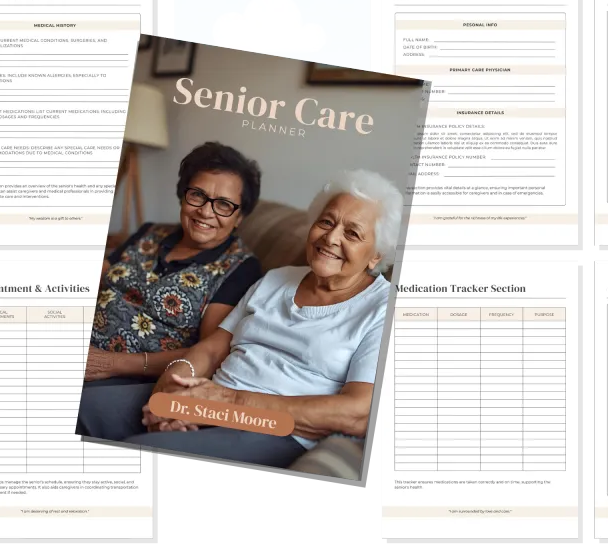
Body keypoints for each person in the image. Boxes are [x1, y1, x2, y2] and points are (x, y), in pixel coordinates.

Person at [78, 168, 402, 468]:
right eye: (327, 222)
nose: (331, 238)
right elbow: (211, 349)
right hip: (204, 395)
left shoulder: (382, 310)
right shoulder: (277, 278)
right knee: (80, 408)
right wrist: (168, 392)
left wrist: (225, 402)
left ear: (376, 255)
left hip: (274, 428)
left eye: (353, 233)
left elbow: (358, 412)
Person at [85, 142, 263, 386]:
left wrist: (109, 364)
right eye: (198, 195)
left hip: (128, 378)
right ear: (183, 196)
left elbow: (207, 353)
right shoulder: (150, 232)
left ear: (239, 217)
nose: (205, 211)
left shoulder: (240, 269)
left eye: (223, 204)